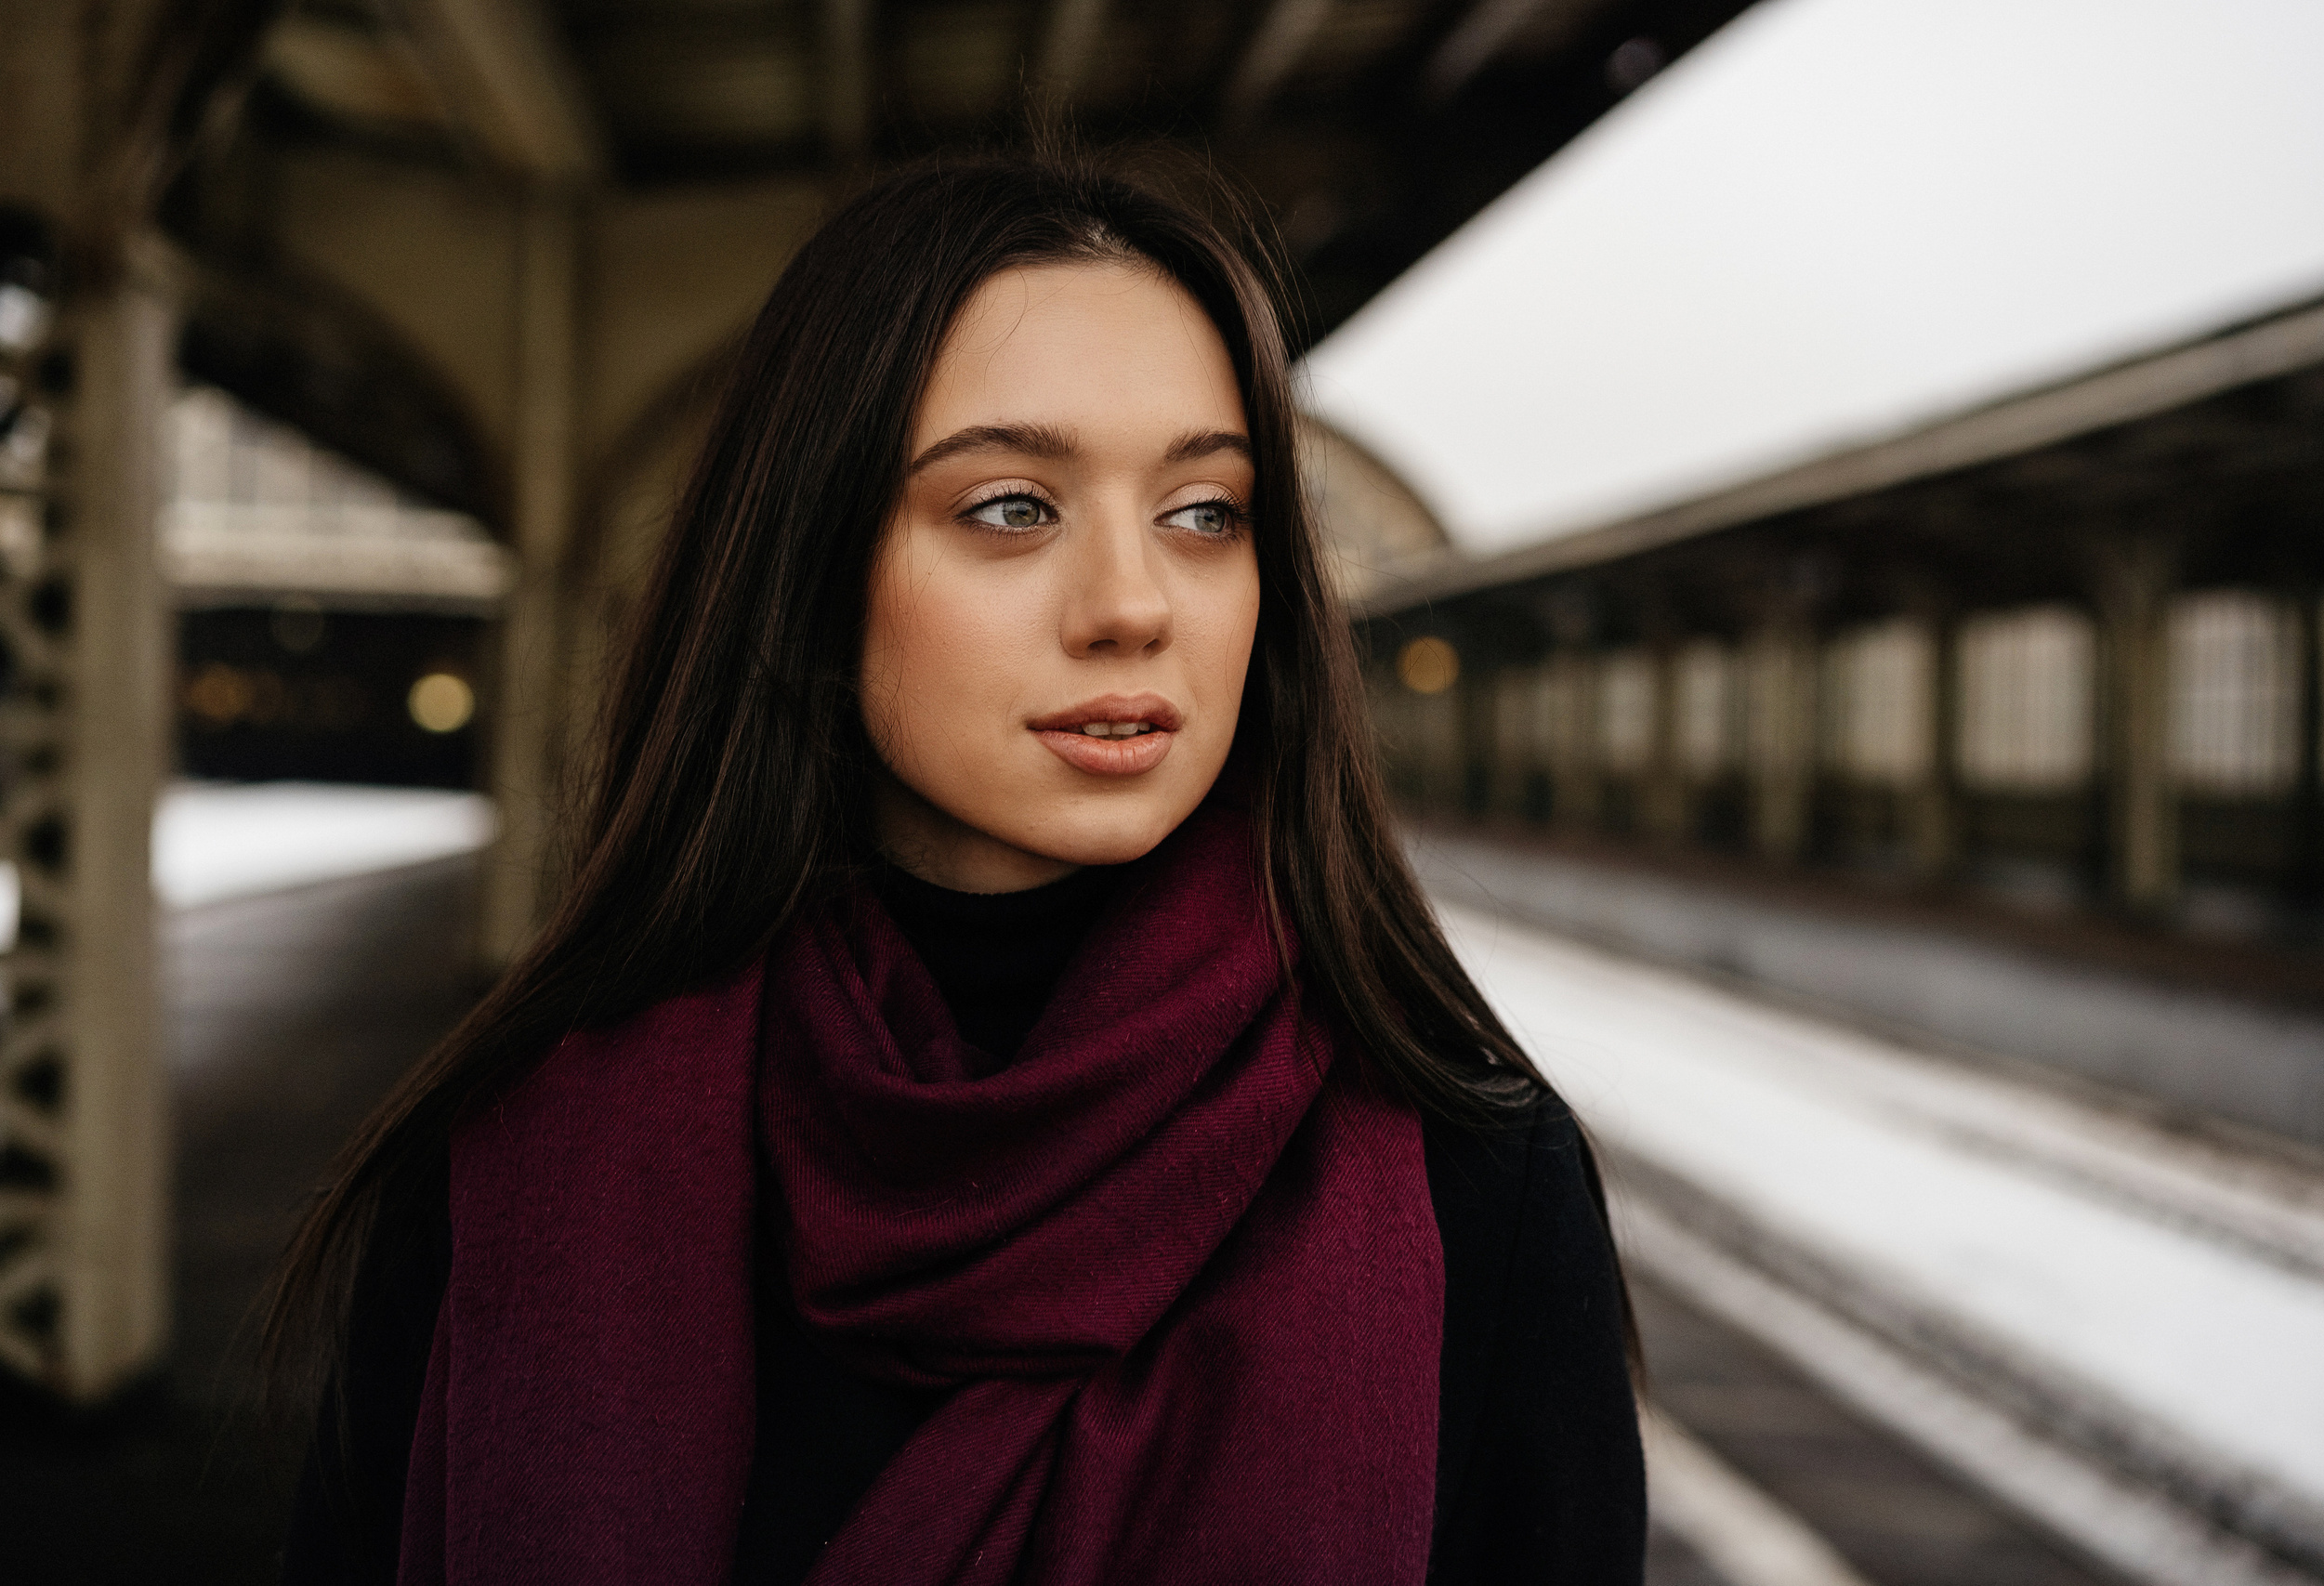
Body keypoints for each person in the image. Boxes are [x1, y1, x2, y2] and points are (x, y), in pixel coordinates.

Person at [269, 151, 1643, 1586]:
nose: (1131, 607)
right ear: (811, 566)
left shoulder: (1472, 1177)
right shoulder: (512, 1162)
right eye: (1009, 509)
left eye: (1204, 514)